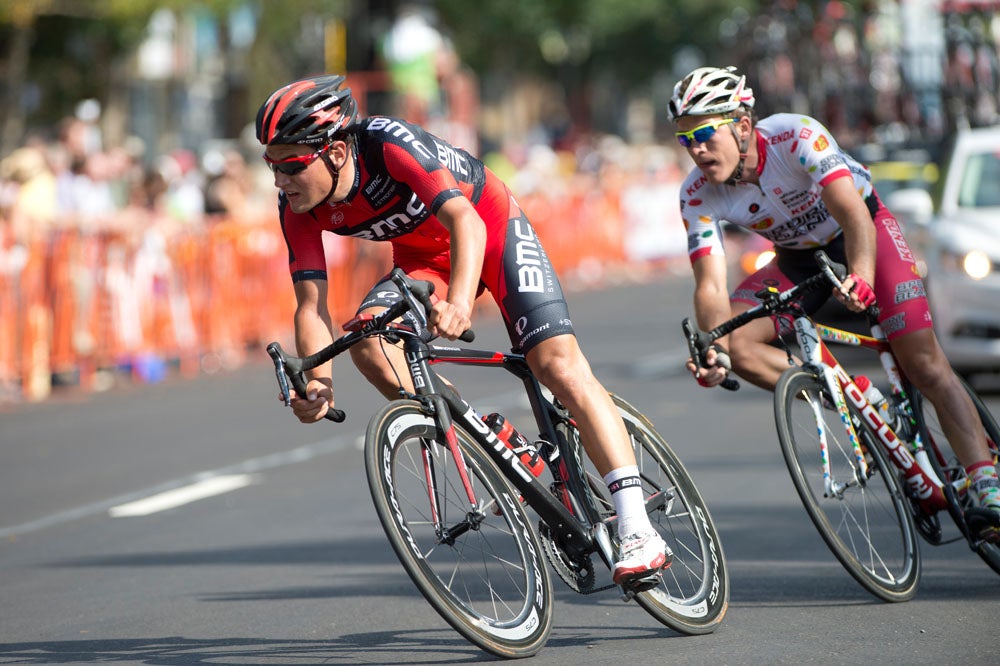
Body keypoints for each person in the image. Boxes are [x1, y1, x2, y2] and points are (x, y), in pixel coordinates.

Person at [255, 74, 670, 583]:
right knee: (367, 338)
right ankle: (485, 437)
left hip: (491, 230)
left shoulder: (387, 143)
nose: (280, 180)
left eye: (291, 165)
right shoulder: (296, 206)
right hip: (424, 263)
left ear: (337, 152)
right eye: (271, 165)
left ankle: (637, 528)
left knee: (556, 365)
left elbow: (466, 222)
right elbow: (310, 307)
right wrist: (319, 384)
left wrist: (458, 304)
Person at [670, 66, 1000, 531]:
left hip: (864, 232)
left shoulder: (796, 135)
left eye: (704, 133)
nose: (697, 149)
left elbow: (852, 214)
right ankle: (854, 397)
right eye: (685, 140)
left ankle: (986, 480)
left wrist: (862, 277)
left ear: (743, 125)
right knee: (740, 344)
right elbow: (708, 283)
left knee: (922, 362)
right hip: (797, 259)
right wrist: (716, 349)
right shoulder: (696, 194)